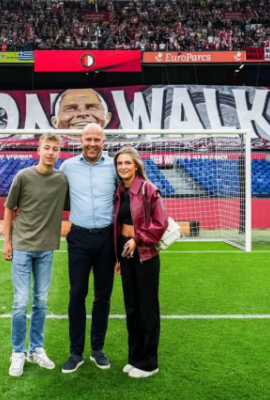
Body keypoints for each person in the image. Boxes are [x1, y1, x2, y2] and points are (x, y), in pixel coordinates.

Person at [3, 133, 69, 377]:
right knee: (21, 302)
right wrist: (6, 242)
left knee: (41, 301)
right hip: (21, 247)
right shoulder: (23, 176)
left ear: (59, 152)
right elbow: (9, 209)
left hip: (46, 249)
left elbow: (75, 202)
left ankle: (36, 349)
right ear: (38, 150)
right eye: (47, 148)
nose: (51, 152)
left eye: (55, 149)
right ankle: (17, 352)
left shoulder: (62, 180)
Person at [59, 123, 117, 373]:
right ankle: (76, 352)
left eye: (97, 139)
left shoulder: (114, 166)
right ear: (80, 141)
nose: (92, 143)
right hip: (79, 238)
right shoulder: (67, 167)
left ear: (103, 141)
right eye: (87, 139)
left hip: (107, 239)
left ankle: (97, 349)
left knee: (103, 296)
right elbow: (50, 192)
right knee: (77, 293)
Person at [112, 146, 169, 378]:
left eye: (127, 162)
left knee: (148, 310)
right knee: (132, 309)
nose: (123, 167)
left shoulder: (148, 189)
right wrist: (118, 257)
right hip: (126, 256)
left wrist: (137, 239)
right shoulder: (119, 191)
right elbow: (117, 226)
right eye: (119, 163)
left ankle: (149, 363)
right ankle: (135, 358)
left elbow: (160, 223)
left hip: (146, 255)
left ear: (136, 165)